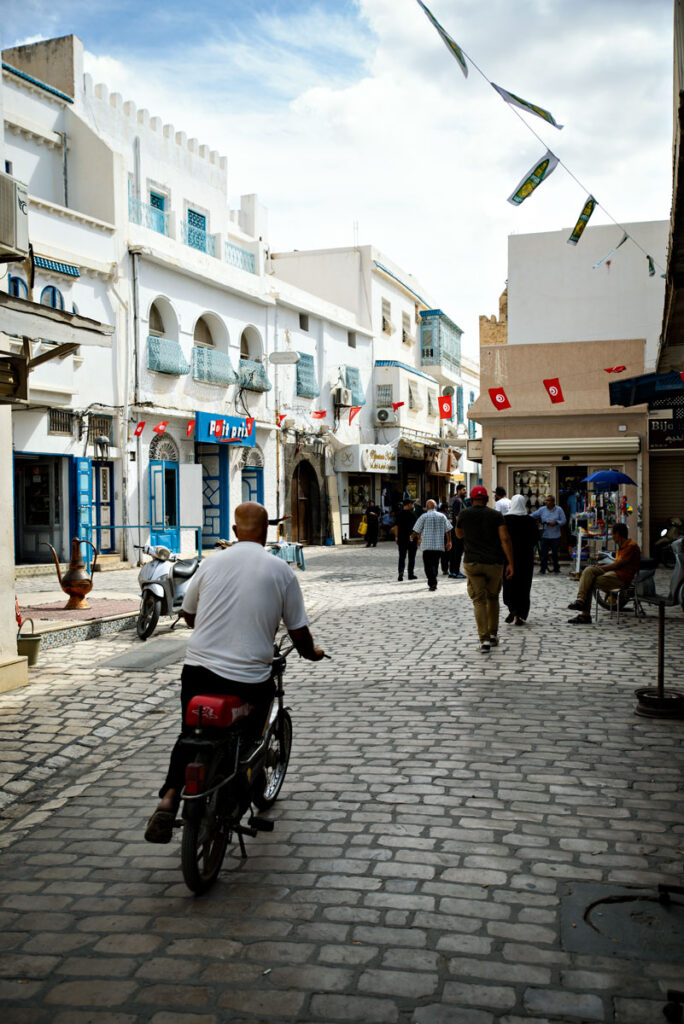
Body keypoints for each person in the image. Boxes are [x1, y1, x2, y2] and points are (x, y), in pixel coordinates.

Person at [144, 502, 324, 843]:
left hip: (198, 669)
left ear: (234, 531)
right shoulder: (281, 570)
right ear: (267, 531)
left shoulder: (210, 565)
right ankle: (240, 787)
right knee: (252, 738)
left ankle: (169, 798)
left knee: (190, 733)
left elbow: (190, 615)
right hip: (248, 678)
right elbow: (299, 632)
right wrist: (312, 653)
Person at [455, 485, 514, 653]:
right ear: (487, 499)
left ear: (472, 499)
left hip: (472, 562)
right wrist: (511, 563)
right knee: (493, 597)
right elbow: (505, 538)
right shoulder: (496, 515)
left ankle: (484, 640)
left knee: (479, 600)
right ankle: (493, 634)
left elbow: (458, 534)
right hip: (494, 563)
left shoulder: (464, 514)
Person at [567, 522, 641, 624]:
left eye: (613, 534)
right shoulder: (621, 546)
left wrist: (600, 568)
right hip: (613, 574)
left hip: (621, 578)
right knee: (588, 570)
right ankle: (580, 600)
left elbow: (617, 565)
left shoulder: (631, 547)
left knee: (589, 581)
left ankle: (585, 614)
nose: (612, 537)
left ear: (618, 534)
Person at [502, 494, 538, 625]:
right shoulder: (530, 520)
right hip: (525, 558)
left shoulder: (505, 519)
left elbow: (501, 538)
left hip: (509, 557)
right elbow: (535, 539)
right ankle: (519, 615)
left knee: (510, 583)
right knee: (524, 584)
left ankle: (512, 608)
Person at [411, 499, 452, 591]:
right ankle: (433, 580)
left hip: (427, 545)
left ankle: (432, 582)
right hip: (438, 545)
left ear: (426, 507)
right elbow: (448, 529)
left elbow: (417, 529)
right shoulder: (442, 516)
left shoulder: (423, 516)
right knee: (435, 563)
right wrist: (449, 541)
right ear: (435, 507)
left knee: (428, 565)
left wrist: (413, 537)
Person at [531, 494, 566, 574]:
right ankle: (543, 568)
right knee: (544, 553)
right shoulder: (542, 509)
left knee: (555, 554)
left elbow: (564, 520)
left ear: (553, 502)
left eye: (548, 500)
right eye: (546, 500)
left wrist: (556, 522)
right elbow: (533, 515)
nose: (546, 502)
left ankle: (556, 568)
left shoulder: (559, 509)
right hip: (545, 535)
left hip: (555, 535)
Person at [395, 497, 418, 581]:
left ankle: (401, 572)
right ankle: (410, 574)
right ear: (408, 505)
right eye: (412, 504)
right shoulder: (413, 515)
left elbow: (396, 526)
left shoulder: (398, 514)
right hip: (411, 538)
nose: (413, 505)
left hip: (401, 538)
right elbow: (417, 528)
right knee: (411, 557)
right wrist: (418, 538)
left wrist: (396, 536)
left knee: (402, 556)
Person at [448, 483, 467, 579]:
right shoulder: (458, 501)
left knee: (453, 551)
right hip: (457, 529)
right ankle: (456, 571)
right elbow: (458, 517)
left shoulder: (452, 499)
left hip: (451, 528)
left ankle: (452, 571)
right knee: (458, 552)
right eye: (464, 490)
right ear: (458, 490)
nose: (465, 491)